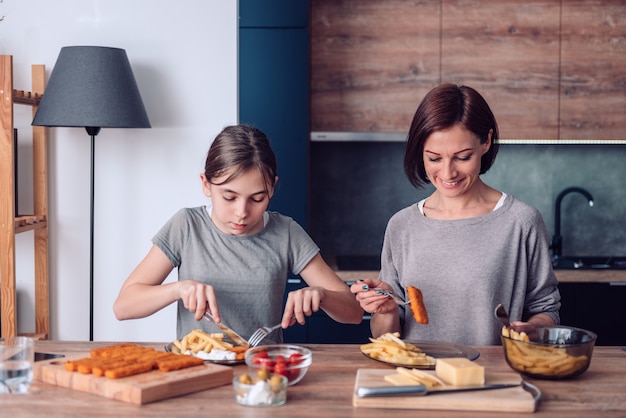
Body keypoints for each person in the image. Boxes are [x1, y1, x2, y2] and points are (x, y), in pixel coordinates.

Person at [350, 84, 561, 346]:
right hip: (418, 379)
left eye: (462, 157)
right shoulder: (402, 226)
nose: (448, 173)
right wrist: (386, 310)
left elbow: (546, 309)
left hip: (492, 380)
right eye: (434, 159)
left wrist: (532, 329)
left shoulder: (521, 221)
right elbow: (386, 338)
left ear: (486, 141)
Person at [114, 125, 363, 341]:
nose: (242, 212)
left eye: (257, 198)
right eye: (229, 197)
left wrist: (322, 295)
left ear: (273, 189)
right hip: (196, 372)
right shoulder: (186, 226)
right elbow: (123, 307)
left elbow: (354, 313)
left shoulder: (286, 233)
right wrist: (178, 289)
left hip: (261, 373)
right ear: (205, 184)